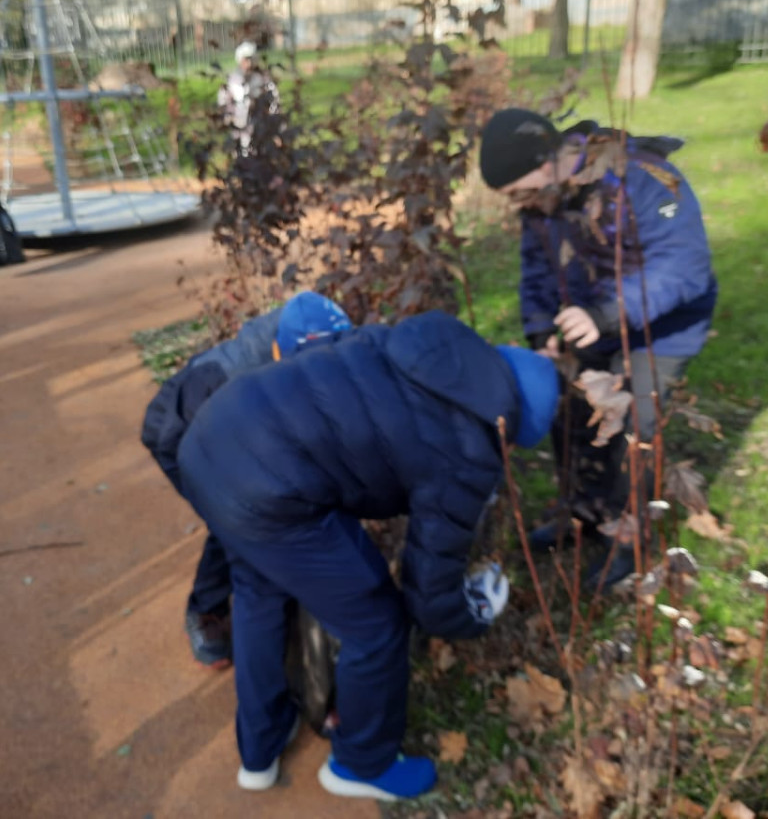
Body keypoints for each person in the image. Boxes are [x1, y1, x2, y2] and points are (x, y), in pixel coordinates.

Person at [176, 310, 559, 800]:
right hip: (271, 491)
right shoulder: (469, 450)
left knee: (258, 593)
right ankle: (361, 764)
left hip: (214, 436)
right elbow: (429, 593)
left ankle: (259, 751)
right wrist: (475, 611)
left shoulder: (418, 343)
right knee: (376, 624)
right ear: (510, 429)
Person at [479, 109, 717, 588]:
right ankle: (581, 513)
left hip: (660, 329)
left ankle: (627, 537)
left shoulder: (642, 176)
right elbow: (538, 271)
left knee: (634, 427)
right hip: (589, 323)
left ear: (551, 158)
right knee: (571, 414)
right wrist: (542, 328)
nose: (523, 204)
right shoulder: (547, 197)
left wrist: (607, 314)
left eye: (523, 191)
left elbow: (683, 266)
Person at [140, 293, 354, 669]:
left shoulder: (318, 327)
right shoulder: (232, 384)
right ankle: (205, 615)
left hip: (227, 422)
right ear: (278, 352)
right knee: (234, 526)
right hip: (178, 433)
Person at [217, 40, 279, 153]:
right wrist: (228, 117)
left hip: (259, 126)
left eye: (252, 59)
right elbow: (224, 101)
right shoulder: (233, 80)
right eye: (246, 59)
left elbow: (274, 101)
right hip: (239, 126)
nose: (249, 63)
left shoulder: (263, 79)